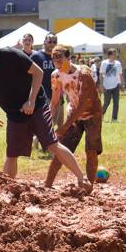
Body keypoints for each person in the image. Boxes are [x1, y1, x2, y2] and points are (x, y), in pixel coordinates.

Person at [0, 39, 92, 192]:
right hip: (15, 115)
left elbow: (38, 73)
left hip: (37, 105)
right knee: (12, 153)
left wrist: (31, 100)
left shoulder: (10, 55)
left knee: (52, 145)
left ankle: (82, 178)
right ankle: (8, 190)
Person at [45, 46, 102, 187]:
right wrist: (48, 122)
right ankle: (47, 184)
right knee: (62, 148)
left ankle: (89, 186)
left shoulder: (83, 74)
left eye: (60, 59)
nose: (57, 63)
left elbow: (83, 105)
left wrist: (65, 126)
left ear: (69, 58)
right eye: (54, 59)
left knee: (91, 150)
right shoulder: (56, 75)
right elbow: (55, 101)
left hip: (92, 114)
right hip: (74, 113)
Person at [99, 49, 124, 121]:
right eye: (114, 54)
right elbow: (100, 75)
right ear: (110, 55)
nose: (115, 55)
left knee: (116, 103)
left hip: (116, 85)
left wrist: (122, 84)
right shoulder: (104, 63)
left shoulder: (118, 63)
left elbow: (120, 74)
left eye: (115, 54)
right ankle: (101, 115)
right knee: (107, 102)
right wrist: (101, 85)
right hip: (106, 86)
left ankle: (114, 118)